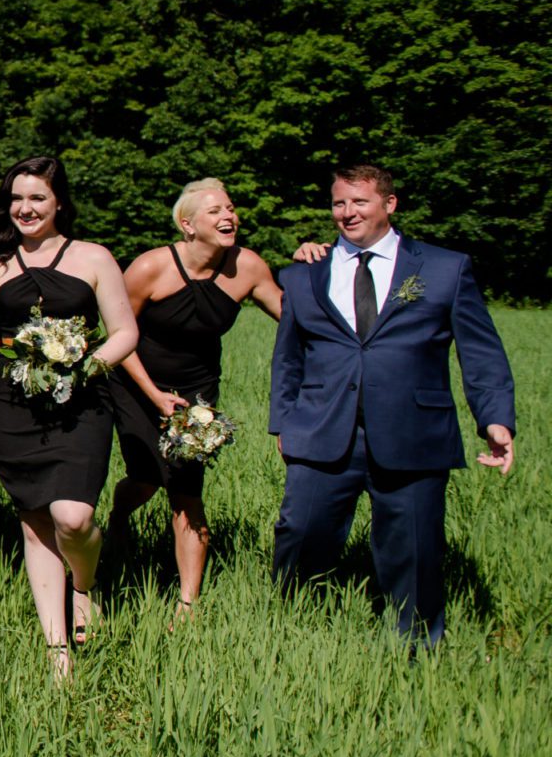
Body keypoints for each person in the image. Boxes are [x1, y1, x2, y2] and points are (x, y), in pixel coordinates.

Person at [269, 164, 516, 644]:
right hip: (321, 431)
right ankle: (292, 636)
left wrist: (495, 420)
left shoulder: (445, 268)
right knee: (301, 533)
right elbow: (289, 358)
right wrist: (284, 423)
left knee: (416, 548)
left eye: (359, 201)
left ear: (390, 204)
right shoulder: (303, 276)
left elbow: (481, 352)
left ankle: (417, 647)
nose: (347, 212)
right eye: (339, 203)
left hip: (413, 432)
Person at [0, 157, 137, 677]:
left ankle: (85, 584)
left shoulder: (93, 256)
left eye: (38, 199)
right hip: (13, 405)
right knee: (36, 522)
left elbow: (124, 333)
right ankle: (58, 651)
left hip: (82, 405)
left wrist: (84, 366)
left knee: (75, 517)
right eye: (17, 199)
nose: (25, 209)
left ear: (59, 204)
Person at [107, 179, 283, 624]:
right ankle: (118, 519)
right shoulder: (150, 267)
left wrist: (311, 263)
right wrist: (153, 395)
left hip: (197, 396)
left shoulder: (248, 267)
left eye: (230, 208)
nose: (229, 216)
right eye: (215, 212)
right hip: (137, 383)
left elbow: (297, 318)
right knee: (146, 477)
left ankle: (188, 604)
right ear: (187, 225)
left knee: (186, 490)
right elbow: (117, 335)